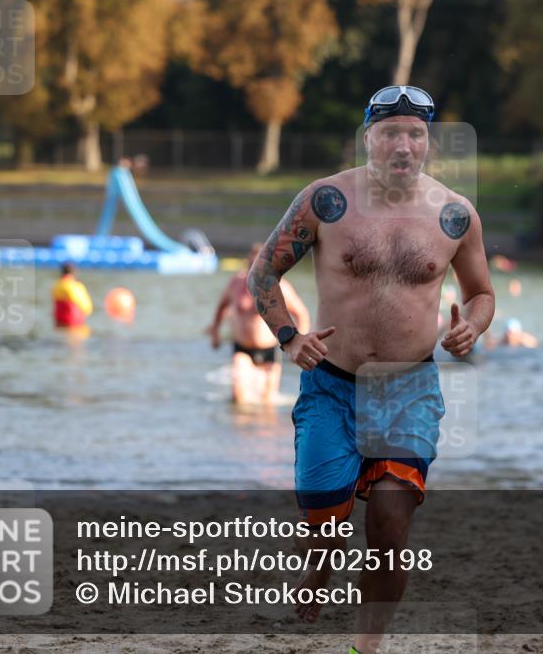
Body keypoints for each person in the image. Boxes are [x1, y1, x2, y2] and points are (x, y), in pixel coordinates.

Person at [247, 85, 494, 654]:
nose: (403, 145)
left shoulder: (455, 216)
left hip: (408, 388)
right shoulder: (325, 200)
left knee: (389, 524)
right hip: (331, 385)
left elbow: (481, 294)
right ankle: (318, 565)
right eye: (390, 133)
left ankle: (367, 646)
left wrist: (472, 327)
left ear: (428, 142)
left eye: (415, 133)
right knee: (324, 519)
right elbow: (263, 275)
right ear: (368, 138)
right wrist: (289, 337)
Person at [208, 244, 310, 405]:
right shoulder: (236, 283)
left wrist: (299, 343)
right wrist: (215, 332)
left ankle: (261, 429)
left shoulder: (280, 286)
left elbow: (301, 314)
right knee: (239, 396)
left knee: (267, 402)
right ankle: (237, 428)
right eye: (250, 264)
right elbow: (221, 307)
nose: (253, 269)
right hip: (242, 348)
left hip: (269, 349)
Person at [52, 263, 93, 329]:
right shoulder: (76, 286)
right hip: (74, 323)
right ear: (74, 272)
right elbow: (87, 308)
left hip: (59, 322)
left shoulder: (56, 285)